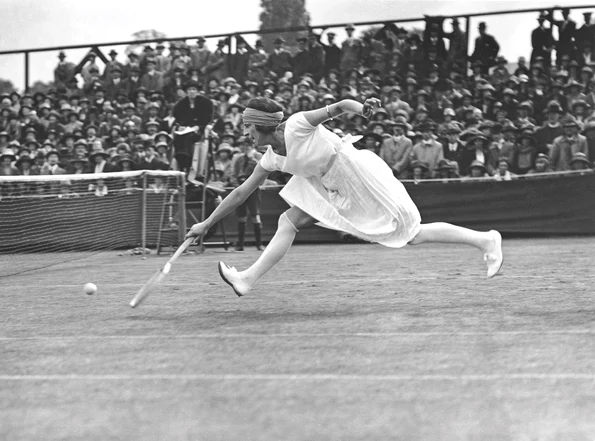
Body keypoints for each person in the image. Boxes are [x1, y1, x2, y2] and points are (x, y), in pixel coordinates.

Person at [185, 97, 503, 298]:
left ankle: (487, 240)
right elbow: (241, 193)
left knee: (412, 234)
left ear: (264, 126)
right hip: (325, 181)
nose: (246, 134)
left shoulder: (297, 125)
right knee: (288, 220)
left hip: (353, 171)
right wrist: (207, 223)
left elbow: (338, 107)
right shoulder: (270, 158)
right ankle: (246, 280)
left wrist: (362, 108)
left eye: (249, 128)